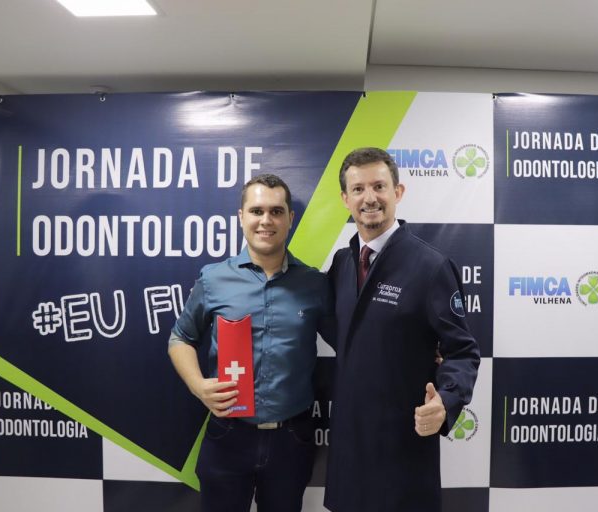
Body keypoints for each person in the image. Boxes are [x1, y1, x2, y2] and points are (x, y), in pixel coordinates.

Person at [324, 147, 480, 512]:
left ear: (398, 192)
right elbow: (345, 334)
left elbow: (462, 351)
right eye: (358, 189)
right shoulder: (342, 263)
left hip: (402, 447)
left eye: (379, 186)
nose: (369, 198)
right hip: (349, 445)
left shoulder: (430, 266)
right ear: (345, 199)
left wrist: (446, 400)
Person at [168, 174, 328, 512]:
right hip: (228, 435)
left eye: (276, 211)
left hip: (292, 439)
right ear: (241, 217)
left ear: (290, 218)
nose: (266, 220)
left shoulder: (314, 284)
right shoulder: (213, 278)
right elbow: (181, 338)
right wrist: (198, 386)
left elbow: (353, 341)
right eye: (257, 211)